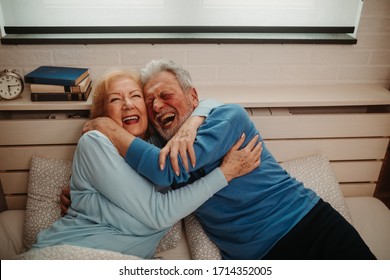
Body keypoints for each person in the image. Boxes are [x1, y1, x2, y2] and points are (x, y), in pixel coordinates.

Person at [82, 59, 376, 260]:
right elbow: (140, 187)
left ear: (193, 97)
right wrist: (90, 197)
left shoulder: (227, 116)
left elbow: (166, 173)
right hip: (256, 259)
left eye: (165, 94)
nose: (157, 105)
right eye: (150, 102)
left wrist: (105, 125)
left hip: (308, 226)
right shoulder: (158, 148)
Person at [31, 69, 262, 259]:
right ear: (102, 114)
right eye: (115, 99)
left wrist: (193, 122)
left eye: (135, 96)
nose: (128, 105)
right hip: (66, 256)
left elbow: (207, 103)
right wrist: (225, 173)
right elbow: (158, 215)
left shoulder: (162, 150)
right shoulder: (94, 141)